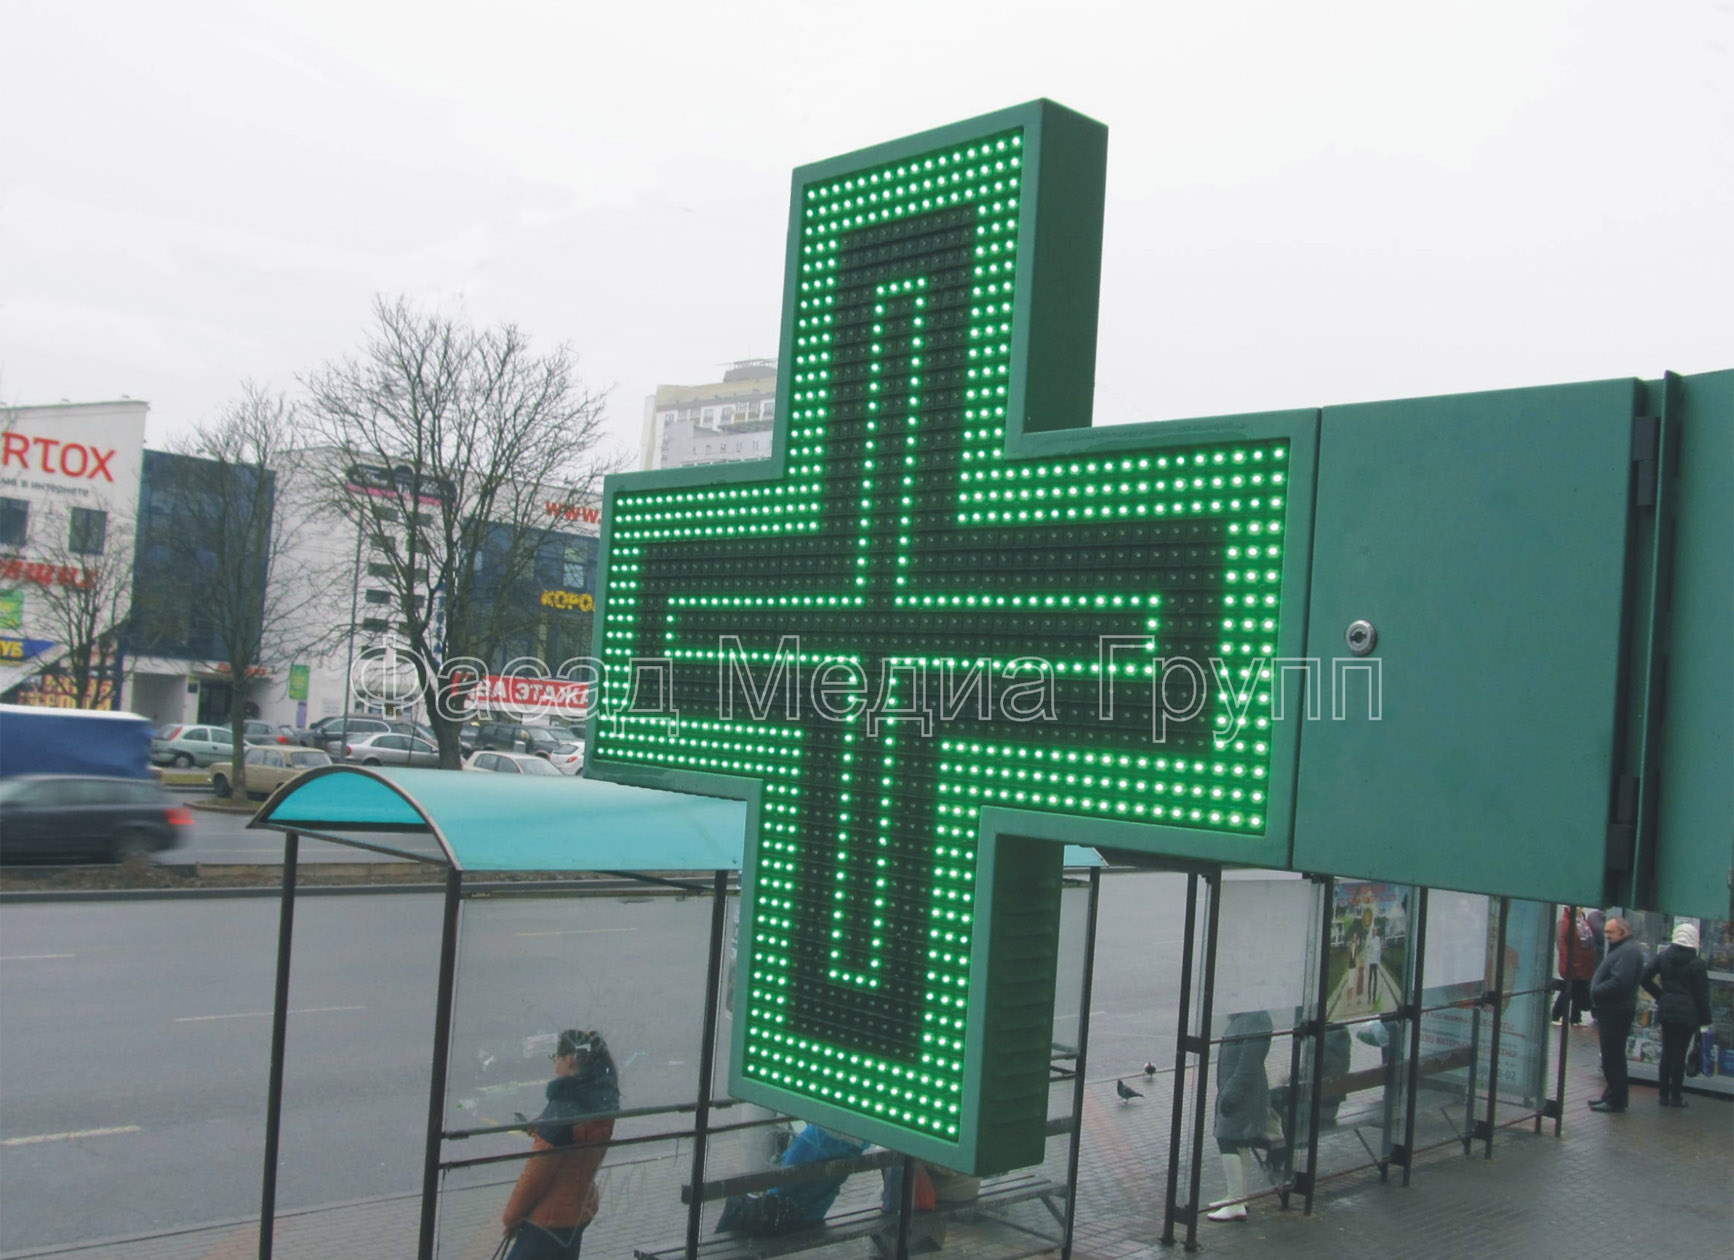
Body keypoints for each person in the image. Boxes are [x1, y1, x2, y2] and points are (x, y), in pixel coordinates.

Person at [502, 1029, 620, 1259]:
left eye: (556, 1057)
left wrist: (511, 1218)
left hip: (548, 1220)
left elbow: (535, 1176)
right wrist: (542, 1129)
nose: (555, 1063)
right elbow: (575, 1147)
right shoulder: (603, 1101)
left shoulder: (563, 1110)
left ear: (570, 1059)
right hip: (577, 1212)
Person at [715, 1124, 868, 1235]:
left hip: (786, 1220)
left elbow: (779, 1190)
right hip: (813, 1218)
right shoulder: (854, 1145)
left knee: (736, 1203)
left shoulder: (815, 1140)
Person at [1207, 1010, 1273, 1222]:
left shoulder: (1255, 1019)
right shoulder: (1246, 1018)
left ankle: (1235, 1201)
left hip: (1243, 1093)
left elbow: (1249, 1065)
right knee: (1238, 1141)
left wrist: (1231, 1094)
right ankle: (1238, 1197)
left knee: (1226, 1138)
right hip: (1240, 1090)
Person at [1641, 922, 1713, 1108]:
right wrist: (1706, 1021)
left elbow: (1644, 977)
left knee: (1667, 1052)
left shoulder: (1663, 957)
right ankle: (1675, 1096)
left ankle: (1663, 1095)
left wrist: (1660, 996)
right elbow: (1702, 996)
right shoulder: (1697, 964)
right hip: (1688, 1015)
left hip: (1667, 1011)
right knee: (1679, 1054)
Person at [1588, 918, 1646, 1113]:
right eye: (1605, 932)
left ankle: (1616, 1099)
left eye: (1610, 932)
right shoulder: (1623, 949)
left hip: (1616, 1010)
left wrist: (1597, 990)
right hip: (1612, 1009)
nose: (1606, 936)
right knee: (1611, 1055)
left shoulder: (1628, 951)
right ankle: (1611, 1095)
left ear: (1623, 931)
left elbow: (1621, 982)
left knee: (1613, 1056)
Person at [1552, 907, 1597, 1025]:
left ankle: (1575, 1017)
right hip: (1573, 963)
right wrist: (1567, 963)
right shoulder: (1565, 922)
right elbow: (1562, 944)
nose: (1579, 909)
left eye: (1581, 907)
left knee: (1578, 989)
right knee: (1569, 989)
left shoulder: (1583, 922)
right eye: (1577, 907)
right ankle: (1556, 1015)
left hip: (1584, 964)